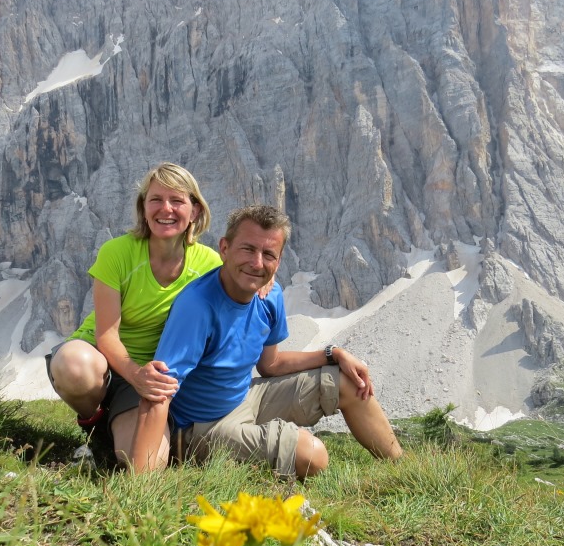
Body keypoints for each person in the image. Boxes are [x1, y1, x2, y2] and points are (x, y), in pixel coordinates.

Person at [134, 204, 404, 479]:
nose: (257, 263)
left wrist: (333, 353)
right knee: (313, 455)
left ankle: (402, 469)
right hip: (199, 427)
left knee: (348, 382)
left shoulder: (270, 295)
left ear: (279, 259)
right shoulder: (197, 307)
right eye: (248, 249)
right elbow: (158, 391)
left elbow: (271, 365)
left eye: (268, 254)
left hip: (245, 398)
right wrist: (141, 482)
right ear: (224, 248)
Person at [45, 163, 220, 471]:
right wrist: (136, 375)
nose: (165, 209)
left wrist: (264, 282)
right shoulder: (117, 252)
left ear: (194, 211)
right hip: (102, 358)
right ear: (143, 208)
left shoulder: (208, 264)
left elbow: (237, 290)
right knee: (75, 367)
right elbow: (107, 336)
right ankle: (94, 426)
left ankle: (116, 430)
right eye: (155, 199)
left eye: (177, 200)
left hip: (149, 376)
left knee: (145, 465)